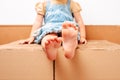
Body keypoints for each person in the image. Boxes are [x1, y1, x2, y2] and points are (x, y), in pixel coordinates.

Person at [19, 0, 87, 60]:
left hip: (66, 28)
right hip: (50, 28)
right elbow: (38, 22)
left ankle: (69, 44)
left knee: (69, 34)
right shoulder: (44, 4)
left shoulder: (72, 3)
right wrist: (32, 36)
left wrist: (82, 37)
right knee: (48, 37)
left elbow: (79, 21)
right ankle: (50, 47)